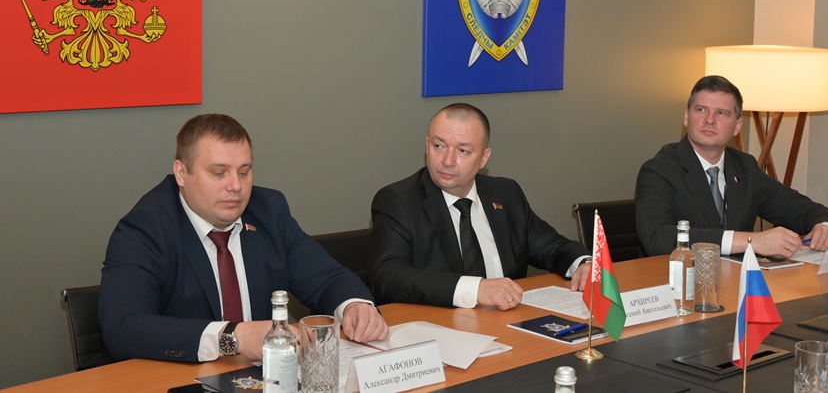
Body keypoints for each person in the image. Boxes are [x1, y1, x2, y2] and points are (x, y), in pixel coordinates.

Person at [100, 114, 388, 363]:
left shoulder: (268, 211)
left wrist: (354, 306)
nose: (236, 186)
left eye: (244, 172)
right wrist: (233, 336)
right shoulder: (146, 228)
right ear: (181, 173)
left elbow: (328, 278)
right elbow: (123, 328)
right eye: (219, 173)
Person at [368, 103, 591, 310]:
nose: (447, 160)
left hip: (509, 323)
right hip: (441, 326)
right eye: (439, 146)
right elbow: (387, 276)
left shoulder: (506, 193)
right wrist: (475, 289)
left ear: (484, 158)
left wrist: (584, 263)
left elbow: (553, 247)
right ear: (427, 146)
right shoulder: (398, 200)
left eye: (463, 151)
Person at [636, 75, 828, 257]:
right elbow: (657, 237)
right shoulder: (659, 170)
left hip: (735, 279)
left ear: (737, 126)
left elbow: (800, 208)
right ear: (687, 117)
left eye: (721, 113)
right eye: (701, 110)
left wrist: (825, 226)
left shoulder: (744, 167)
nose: (709, 120)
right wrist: (752, 241)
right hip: (677, 280)